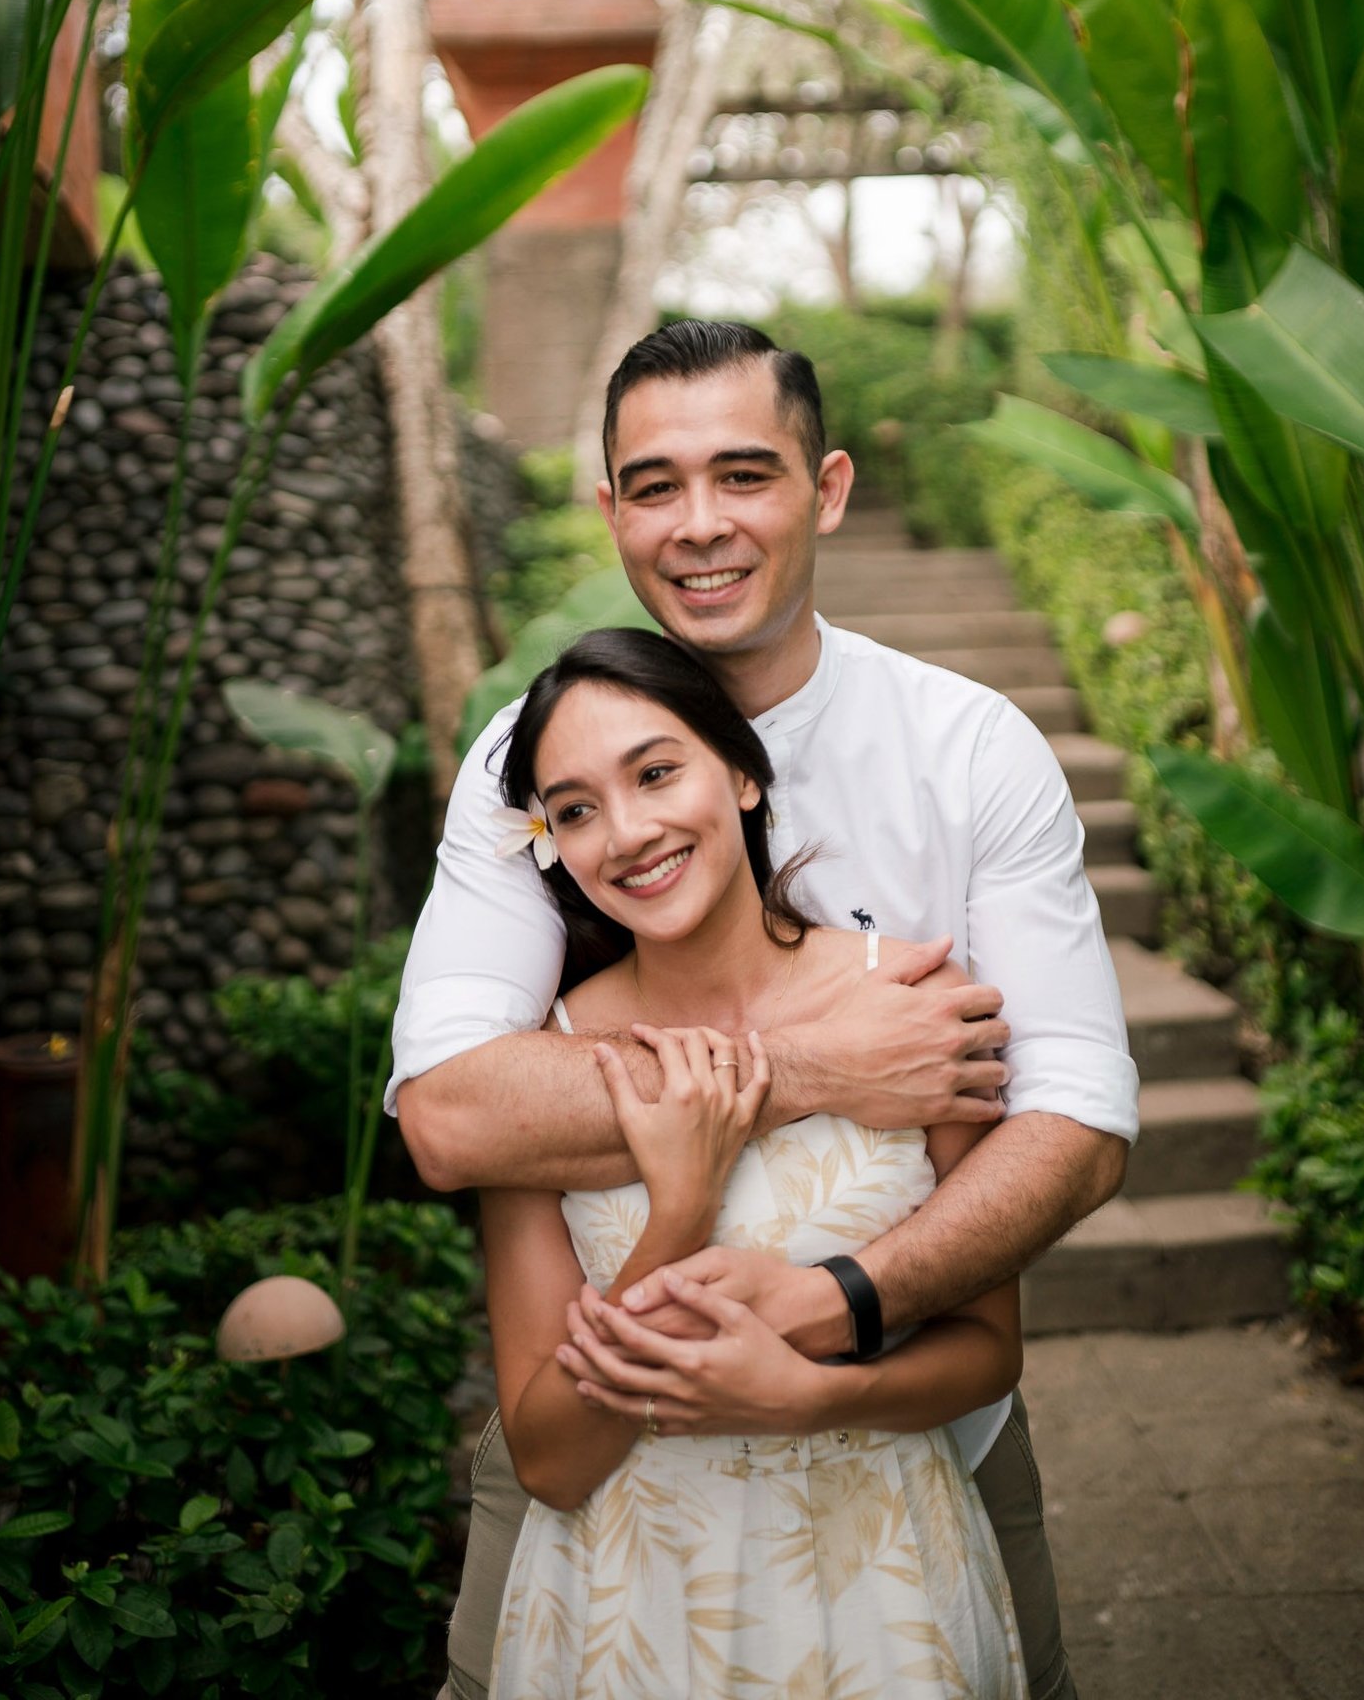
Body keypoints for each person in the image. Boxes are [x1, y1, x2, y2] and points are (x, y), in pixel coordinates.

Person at [389, 320, 1139, 1700]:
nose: (701, 525)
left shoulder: (968, 751)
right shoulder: (522, 761)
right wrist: (812, 1066)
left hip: (913, 1454)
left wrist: (832, 1314)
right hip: (600, 1485)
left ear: (829, 488)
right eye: (656, 486)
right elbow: (449, 1119)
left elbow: (1080, 1125)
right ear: (609, 509)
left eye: (746, 475)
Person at [482, 627, 1028, 1697]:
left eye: (655, 772)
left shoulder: (912, 1004)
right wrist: (677, 1210)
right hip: (635, 1597)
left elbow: (988, 1350)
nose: (626, 832)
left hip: (879, 1574)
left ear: (740, 772)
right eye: (577, 808)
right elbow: (550, 1459)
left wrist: (810, 1398)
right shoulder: (538, 1072)